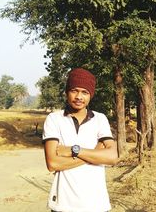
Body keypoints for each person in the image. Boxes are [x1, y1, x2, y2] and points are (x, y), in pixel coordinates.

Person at [42, 68, 118, 212]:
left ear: (90, 95)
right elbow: (52, 163)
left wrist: (73, 150)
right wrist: (95, 154)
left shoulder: (99, 119)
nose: (79, 96)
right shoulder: (54, 119)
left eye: (85, 92)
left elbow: (113, 157)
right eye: (74, 90)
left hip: (97, 204)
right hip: (63, 205)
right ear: (66, 92)